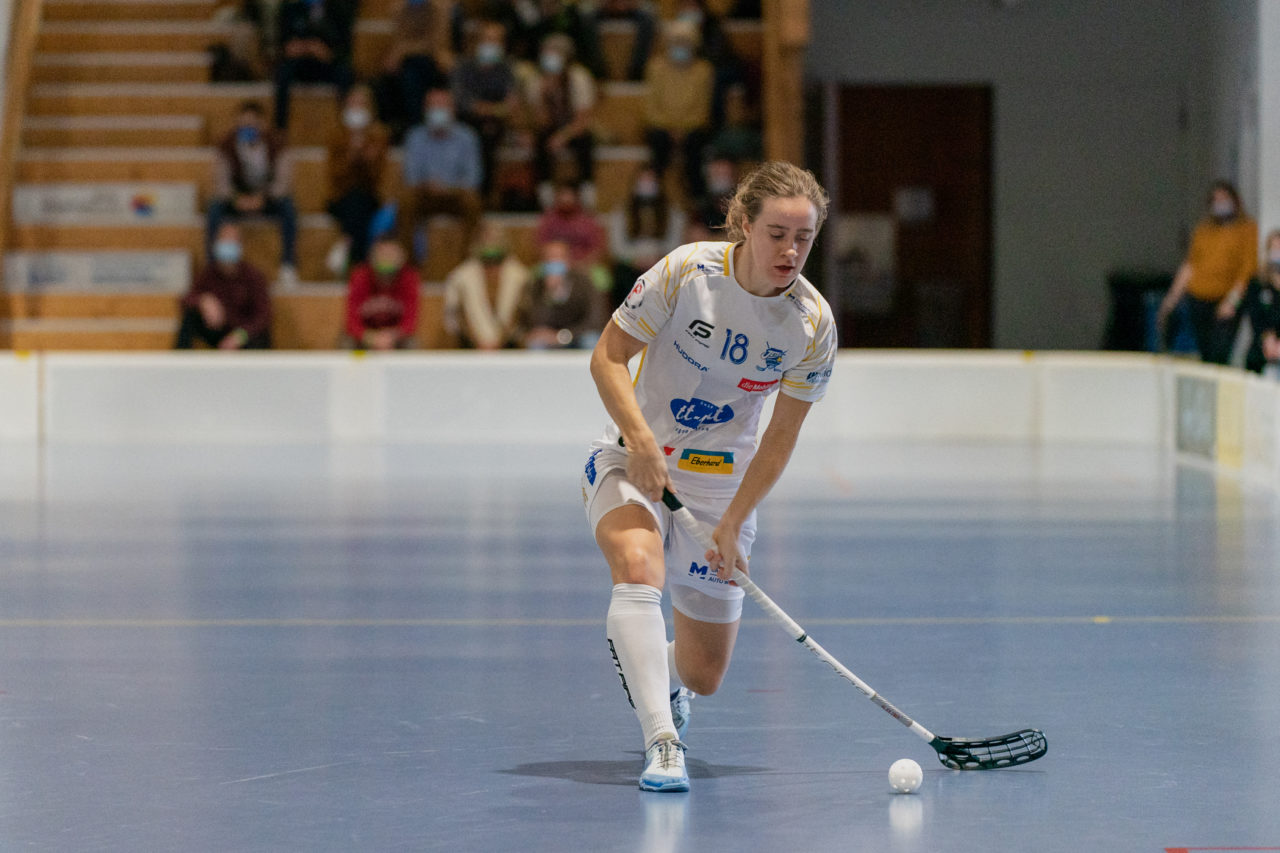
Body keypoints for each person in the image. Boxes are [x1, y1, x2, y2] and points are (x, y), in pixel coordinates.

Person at [581, 161, 837, 792]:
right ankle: (661, 740)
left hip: (721, 487)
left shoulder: (813, 324)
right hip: (634, 459)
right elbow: (608, 358)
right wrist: (640, 439)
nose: (790, 250)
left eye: (804, 237)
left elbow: (780, 436)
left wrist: (734, 521)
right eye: (777, 233)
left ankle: (665, 682)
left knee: (703, 675)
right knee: (639, 569)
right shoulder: (686, 271)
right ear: (744, 225)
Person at [1157, 181, 1258, 365]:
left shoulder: (1247, 229)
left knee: (1219, 352)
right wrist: (1171, 300)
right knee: (1205, 352)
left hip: (1226, 299)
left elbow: (1247, 271)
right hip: (1199, 298)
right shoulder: (1203, 230)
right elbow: (1190, 266)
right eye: (1216, 200)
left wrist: (1232, 301)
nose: (1220, 204)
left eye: (1224, 199)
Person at [206, 100, 299, 287]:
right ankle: (212, 266)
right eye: (242, 124)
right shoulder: (226, 145)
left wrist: (262, 197)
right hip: (237, 198)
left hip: (267, 198)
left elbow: (283, 181)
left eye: (251, 124)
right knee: (214, 210)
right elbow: (220, 182)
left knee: (289, 208)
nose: (246, 128)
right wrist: (236, 198)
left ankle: (288, 264)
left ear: (261, 125)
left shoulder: (277, 144)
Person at [396, 87, 485, 265]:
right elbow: (411, 177)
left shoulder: (467, 137)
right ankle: (409, 264)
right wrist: (428, 185)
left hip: (455, 195)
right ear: (426, 110)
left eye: (442, 106)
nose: (438, 112)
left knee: (473, 201)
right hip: (426, 193)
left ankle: (467, 262)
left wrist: (449, 187)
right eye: (433, 107)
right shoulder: (415, 137)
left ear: (453, 110)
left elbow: (473, 177)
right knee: (406, 201)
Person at [642, 19, 714, 198]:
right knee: (658, 142)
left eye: (685, 43)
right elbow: (651, 108)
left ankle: (698, 199)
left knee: (694, 147)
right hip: (661, 127)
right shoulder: (655, 68)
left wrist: (683, 129)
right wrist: (670, 128)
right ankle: (654, 198)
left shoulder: (704, 71)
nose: (680, 47)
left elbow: (702, 109)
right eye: (676, 42)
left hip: (693, 128)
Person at [451, 19, 521, 203]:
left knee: (490, 134)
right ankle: (473, 193)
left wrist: (490, 110)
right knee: (475, 135)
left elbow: (511, 102)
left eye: (496, 40)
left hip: (496, 123)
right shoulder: (463, 67)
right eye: (488, 40)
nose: (492, 45)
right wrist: (489, 109)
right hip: (467, 121)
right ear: (478, 41)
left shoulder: (507, 68)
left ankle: (486, 195)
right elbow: (462, 101)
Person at [522, 32, 597, 202]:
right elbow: (541, 122)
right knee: (540, 141)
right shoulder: (536, 81)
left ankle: (587, 191)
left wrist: (563, 136)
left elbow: (583, 118)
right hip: (551, 128)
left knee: (585, 140)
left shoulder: (579, 78)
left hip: (574, 129)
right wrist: (544, 95)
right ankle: (545, 193)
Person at [326, 84, 390, 276]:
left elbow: (377, 179)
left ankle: (346, 244)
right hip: (340, 197)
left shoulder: (378, 136)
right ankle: (361, 265)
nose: (356, 109)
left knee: (360, 201)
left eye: (361, 104)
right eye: (352, 104)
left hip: (369, 197)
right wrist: (351, 158)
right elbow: (334, 176)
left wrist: (367, 161)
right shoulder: (336, 136)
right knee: (354, 202)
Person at [175, 222, 272, 349]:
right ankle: (180, 363)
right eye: (224, 242)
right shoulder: (209, 273)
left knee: (259, 338)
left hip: (245, 336)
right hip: (220, 332)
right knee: (190, 316)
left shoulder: (253, 276)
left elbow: (263, 316)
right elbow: (186, 298)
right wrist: (203, 301)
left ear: (240, 246)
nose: (227, 247)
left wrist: (239, 336)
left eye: (232, 243)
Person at [371, 0, 455, 140]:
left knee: (416, 71)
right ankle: (398, 127)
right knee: (387, 79)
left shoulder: (439, 9)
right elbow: (398, 40)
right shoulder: (399, 9)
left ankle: (416, 126)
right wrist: (402, 52)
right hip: (409, 62)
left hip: (431, 61)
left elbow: (436, 43)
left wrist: (405, 50)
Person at [443, 222, 530, 349]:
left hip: (508, 347)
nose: (492, 267)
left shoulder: (520, 276)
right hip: (472, 347)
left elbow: (523, 314)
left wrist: (501, 340)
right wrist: (476, 340)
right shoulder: (460, 278)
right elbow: (455, 316)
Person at [607, 165, 684, 308]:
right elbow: (616, 247)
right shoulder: (623, 212)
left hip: (662, 262)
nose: (647, 184)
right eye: (643, 180)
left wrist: (658, 258)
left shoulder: (672, 212)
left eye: (651, 180)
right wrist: (634, 259)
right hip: (631, 264)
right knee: (620, 276)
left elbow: (676, 243)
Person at [272, 0, 356, 130]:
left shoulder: (338, 10)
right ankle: (280, 129)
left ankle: (346, 126)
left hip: (327, 65)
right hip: (298, 64)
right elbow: (282, 43)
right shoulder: (290, 10)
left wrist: (328, 53)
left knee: (345, 74)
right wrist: (296, 48)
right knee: (282, 73)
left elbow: (345, 48)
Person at [519, 239, 605, 348]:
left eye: (559, 257)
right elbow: (534, 323)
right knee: (536, 342)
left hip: (578, 335)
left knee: (591, 340)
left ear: (568, 261)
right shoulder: (535, 285)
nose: (554, 262)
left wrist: (564, 336)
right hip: (549, 338)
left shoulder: (585, 283)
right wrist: (550, 293)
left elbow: (595, 321)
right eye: (550, 258)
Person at [342, 236, 422, 349]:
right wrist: (372, 338)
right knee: (347, 343)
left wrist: (391, 336)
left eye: (391, 254)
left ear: (402, 257)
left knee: (412, 344)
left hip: (395, 337)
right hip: (366, 336)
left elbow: (410, 322)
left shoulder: (409, 277)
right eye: (383, 254)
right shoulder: (360, 276)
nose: (387, 258)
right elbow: (351, 322)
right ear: (372, 257)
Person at [1239, 228, 1280, 374]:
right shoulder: (1257, 283)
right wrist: (1268, 338)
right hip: (1261, 350)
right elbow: (1255, 317)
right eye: (1274, 249)